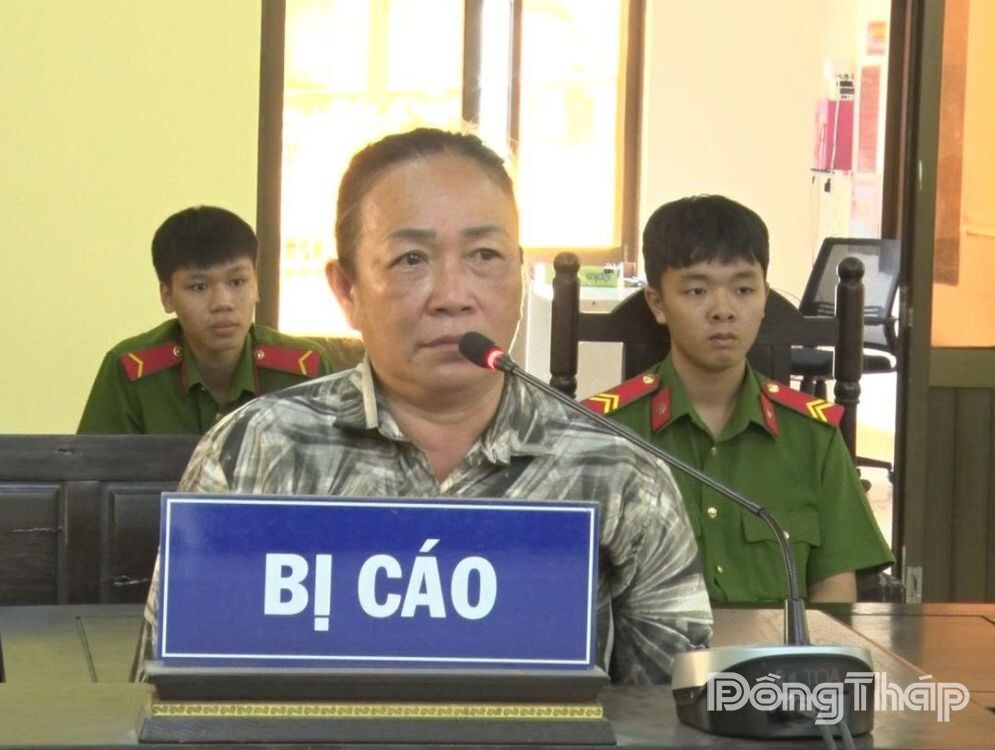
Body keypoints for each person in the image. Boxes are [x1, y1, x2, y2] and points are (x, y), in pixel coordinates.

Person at [140, 129, 712, 684]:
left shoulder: (619, 472)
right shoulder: (254, 451)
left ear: (518, 275)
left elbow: (668, 717)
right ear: (346, 291)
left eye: (485, 255)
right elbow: (170, 701)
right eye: (411, 259)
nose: (453, 296)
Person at [584, 195, 893, 604]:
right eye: (696, 290)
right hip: (651, 648)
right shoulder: (603, 434)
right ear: (657, 304)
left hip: (781, 648)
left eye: (744, 289)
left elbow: (835, 594)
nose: (723, 310)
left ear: (765, 297)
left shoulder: (811, 436)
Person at [77, 206, 335, 434]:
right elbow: (94, 470)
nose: (222, 302)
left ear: (256, 285)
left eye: (237, 282)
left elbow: (333, 469)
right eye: (199, 287)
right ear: (167, 296)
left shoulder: (305, 371)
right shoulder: (130, 369)